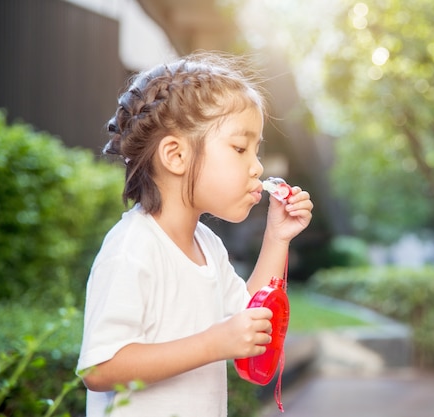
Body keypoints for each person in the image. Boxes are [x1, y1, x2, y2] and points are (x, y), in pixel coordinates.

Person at [76, 51, 313, 417]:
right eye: (239, 148)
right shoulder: (133, 248)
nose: (258, 166)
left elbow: (251, 312)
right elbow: (99, 367)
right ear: (175, 155)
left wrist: (277, 237)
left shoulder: (207, 246)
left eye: (256, 150)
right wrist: (213, 343)